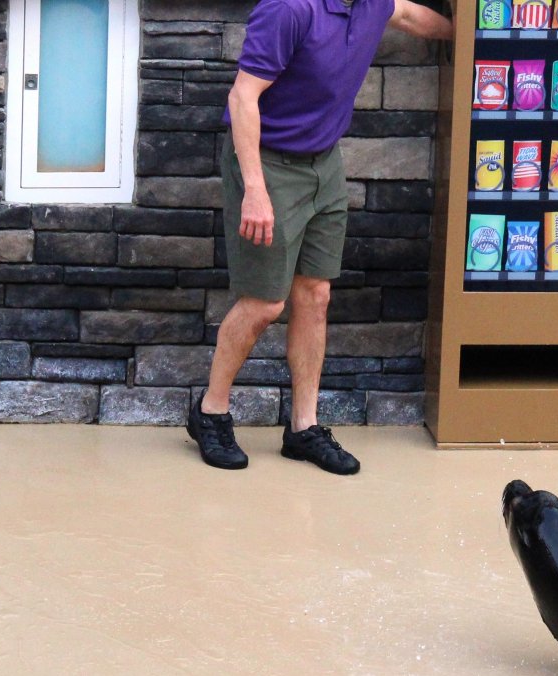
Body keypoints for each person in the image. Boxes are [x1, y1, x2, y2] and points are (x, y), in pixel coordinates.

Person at [189, 0, 453, 474]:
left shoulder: (372, 3)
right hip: (268, 163)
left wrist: (475, 35)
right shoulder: (288, 9)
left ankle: (303, 428)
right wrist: (255, 190)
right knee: (264, 302)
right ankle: (211, 411)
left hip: (324, 163)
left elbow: (411, 17)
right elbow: (242, 97)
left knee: (315, 294)